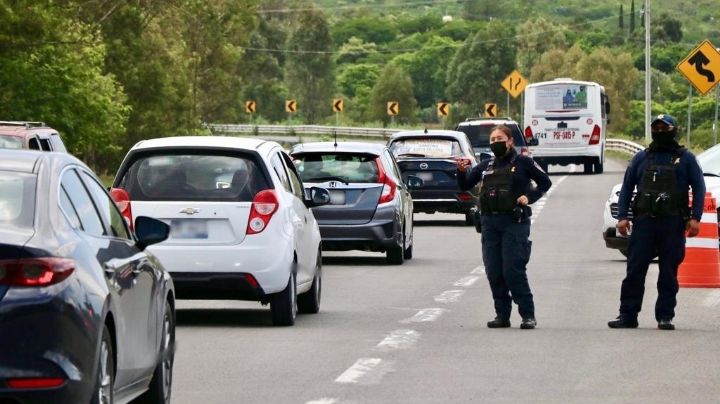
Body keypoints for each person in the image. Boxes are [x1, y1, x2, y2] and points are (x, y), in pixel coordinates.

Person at [609, 114, 705, 330]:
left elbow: (699, 188)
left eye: (665, 128)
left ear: (674, 130)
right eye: (657, 128)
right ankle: (628, 315)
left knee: (668, 272)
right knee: (635, 271)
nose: (660, 132)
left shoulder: (686, 158)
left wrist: (695, 218)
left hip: (673, 223)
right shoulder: (642, 158)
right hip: (644, 223)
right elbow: (626, 188)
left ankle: (665, 316)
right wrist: (623, 217)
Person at [457, 125, 552, 329]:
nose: (495, 143)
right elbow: (465, 185)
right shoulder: (485, 166)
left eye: (499, 138)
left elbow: (545, 182)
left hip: (514, 223)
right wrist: (461, 171)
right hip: (490, 223)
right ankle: (502, 315)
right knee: (494, 271)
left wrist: (530, 197)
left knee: (513, 270)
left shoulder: (524, 162)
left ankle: (527, 314)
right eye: (492, 140)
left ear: (510, 141)